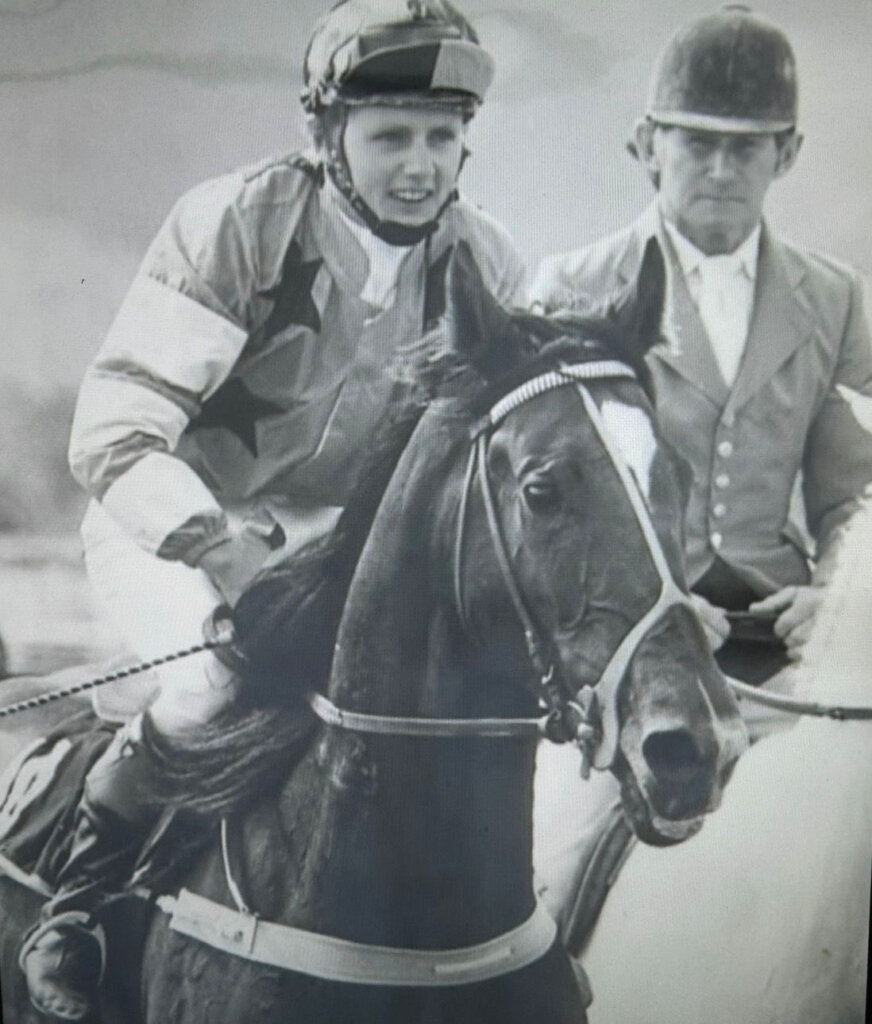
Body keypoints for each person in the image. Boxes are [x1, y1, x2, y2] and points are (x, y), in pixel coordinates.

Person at [20, 1, 523, 1018]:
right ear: (325, 133)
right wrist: (217, 546)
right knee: (213, 680)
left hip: (332, 551)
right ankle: (77, 908)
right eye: (390, 136)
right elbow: (113, 432)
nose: (419, 166)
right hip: (167, 521)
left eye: (441, 137)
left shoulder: (485, 262)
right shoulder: (240, 221)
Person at [530, 4, 872, 952]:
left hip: (785, 646)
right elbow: (554, 510)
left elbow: (852, 491)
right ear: (647, 146)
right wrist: (661, 603)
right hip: (630, 653)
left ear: (787, 154)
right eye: (697, 144)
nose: (721, 169)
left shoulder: (836, 297)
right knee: (556, 865)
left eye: (746, 148)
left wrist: (831, 604)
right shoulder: (571, 287)